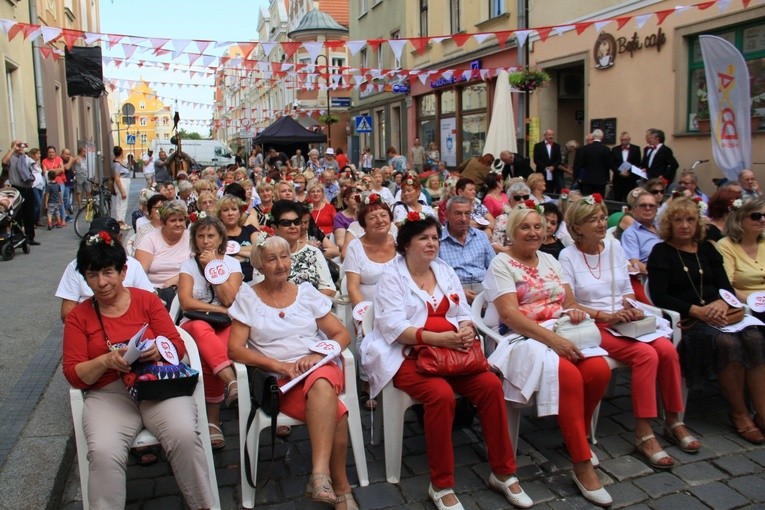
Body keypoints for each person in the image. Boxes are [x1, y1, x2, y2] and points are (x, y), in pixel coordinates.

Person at [360, 214, 533, 510]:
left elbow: (464, 311)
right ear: (405, 245)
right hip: (406, 356)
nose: (432, 244)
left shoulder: (443, 269)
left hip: (452, 356)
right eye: (423, 238)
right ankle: (440, 484)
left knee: (491, 385)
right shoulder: (392, 277)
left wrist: (466, 328)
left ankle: (503, 472)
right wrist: (440, 339)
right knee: (440, 396)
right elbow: (394, 329)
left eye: (435, 238)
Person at [62, 232, 214, 509]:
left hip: (155, 384)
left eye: (108, 272)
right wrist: (106, 361)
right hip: (109, 394)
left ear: (123, 271)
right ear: (84, 277)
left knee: (184, 435)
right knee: (103, 452)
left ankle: (203, 505)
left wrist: (158, 349)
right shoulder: (78, 317)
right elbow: (73, 373)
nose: (102, 283)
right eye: (92, 275)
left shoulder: (146, 300)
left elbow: (176, 345)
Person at [482, 206, 612, 506]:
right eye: (525, 227)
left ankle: (573, 433)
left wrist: (576, 312)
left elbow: (568, 301)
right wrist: (554, 340)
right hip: (521, 339)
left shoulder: (551, 260)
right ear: (512, 232)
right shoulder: (502, 264)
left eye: (538, 227)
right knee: (566, 372)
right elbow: (510, 316)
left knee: (599, 370)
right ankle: (581, 464)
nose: (533, 233)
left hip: (561, 331)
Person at [560, 197, 699, 469]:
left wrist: (628, 305)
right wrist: (607, 315)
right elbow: (570, 304)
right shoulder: (568, 255)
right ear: (577, 227)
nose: (602, 223)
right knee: (646, 355)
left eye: (602, 217)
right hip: (593, 323)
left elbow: (626, 287)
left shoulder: (613, 246)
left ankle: (673, 419)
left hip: (623, 319)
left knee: (668, 350)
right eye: (594, 219)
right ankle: (644, 432)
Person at [227, 233, 358, 510]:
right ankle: (341, 486)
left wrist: (317, 354)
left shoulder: (306, 293)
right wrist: (279, 366)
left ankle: (320, 475)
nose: (280, 264)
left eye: (284, 257)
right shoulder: (248, 298)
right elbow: (235, 350)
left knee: (322, 381)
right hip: (281, 383)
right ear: (259, 265)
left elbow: (341, 334)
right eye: (271, 259)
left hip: (317, 366)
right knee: (338, 412)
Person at [648, 197, 765, 445]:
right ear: (669, 224)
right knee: (727, 343)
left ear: (697, 223)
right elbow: (659, 296)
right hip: (690, 321)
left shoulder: (707, 249)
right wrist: (697, 311)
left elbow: (725, 285)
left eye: (690, 219)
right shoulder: (662, 252)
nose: (685, 226)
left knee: (755, 337)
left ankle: (762, 413)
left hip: (721, 313)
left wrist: (722, 303)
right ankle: (740, 414)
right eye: (678, 220)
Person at [178, 215, 242, 449]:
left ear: (221, 238)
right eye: (201, 236)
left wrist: (212, 268)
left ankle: (213, 421)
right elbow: (186, 302)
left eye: (211, 236)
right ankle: (232, 382)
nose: (206, 241)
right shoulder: (187, 264)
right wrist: (216, 309)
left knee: (209, 353)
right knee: (201, 329)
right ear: (194, 239)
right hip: (194, 323)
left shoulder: (232, 264)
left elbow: (230, 298)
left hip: (225, 324)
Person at [342, 194, 398, 409]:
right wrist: (364, 314)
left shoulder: (400, 241)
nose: (380, 220)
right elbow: (353, 286)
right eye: (373, 217)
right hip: (369, 306)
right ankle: (368, 385)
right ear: (363, 224)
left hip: (399, 305)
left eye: (384, 215)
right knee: (368, 334)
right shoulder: (356, 247)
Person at [56, 216, 154, 322]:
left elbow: (150, 300)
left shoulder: (133, 265)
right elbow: (67, 313)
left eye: (105, 238)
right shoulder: (75, 266)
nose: (102, 283)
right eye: (95, 238)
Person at [270, 200, 336, 297]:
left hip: (313, 307)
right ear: (274, 227)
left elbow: (329, 288)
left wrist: (307, 305)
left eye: (296, 222)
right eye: (286, 223)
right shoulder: (266, 256)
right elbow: (263, 292)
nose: (293, 226)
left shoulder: (313, 252)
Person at [438, 196, 495, 304]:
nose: (464, 218)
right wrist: (458, 291)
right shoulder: (438, 239)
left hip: (483, 286)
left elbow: (494, 266)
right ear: (447, 215)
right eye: (458, 213)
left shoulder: (481, 236)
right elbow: (434, 275)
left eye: (467, 213)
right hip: (453, 290)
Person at [134, 201, 191, 304]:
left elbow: (198, 266)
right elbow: (140, 273)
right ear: (163, 223)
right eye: (173, 220)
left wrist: (177, 279)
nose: (178, 224)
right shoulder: (150, 238)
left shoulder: (191, 238)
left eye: (181, 220)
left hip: (185, 287)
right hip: (155, 290)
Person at [717, 196, 765, 302]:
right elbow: (726, 286)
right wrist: (755, 303)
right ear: (739, 219)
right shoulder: (725, 246)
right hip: (748, 304)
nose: (762, 220)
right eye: (756, 216)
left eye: (764, 215)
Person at [1, 140, 39, 245]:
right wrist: (13, 149)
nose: (20, 147)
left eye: (21, 145)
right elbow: (4, 162)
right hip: (17, 189)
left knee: (29, 214)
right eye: (18, 145)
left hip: (28, 189)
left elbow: (34, 165)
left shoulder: (25, 158)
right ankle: (19, 237)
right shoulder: (11, 159)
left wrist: (24, 150)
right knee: (17, 215)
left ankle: (30, 237)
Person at [216, 194, 259, 283]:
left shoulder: (250, 229)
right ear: (220, 215)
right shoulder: (217, 235)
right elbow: (217, 257)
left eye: (234, 209)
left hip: (253, 280)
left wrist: (232, 251)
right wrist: (248, 252)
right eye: (225, 210)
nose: (230, 213)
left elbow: (259, 252)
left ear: (240, 213)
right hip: (228, 282)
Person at [573, 129, 612, 196]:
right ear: (602, 138)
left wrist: (575, 177)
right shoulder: (606, 149)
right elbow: (608, 165)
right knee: (599, 200)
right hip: (601, 180)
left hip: (587, 179)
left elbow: (578, 164)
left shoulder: (584, 149)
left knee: (587, 200)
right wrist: (607, 179)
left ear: (593, 137)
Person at [610, 132, 642, 202]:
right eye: (622, 140)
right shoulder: (615, 149)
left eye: (625, 140)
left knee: (630, 199)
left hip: (630, 179)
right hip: (618, 179)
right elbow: (612, 164)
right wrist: (619, 172)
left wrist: (629, 172)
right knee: (617, 199)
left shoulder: (636, 149)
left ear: (629, 139)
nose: (623, 141)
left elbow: (637, 163)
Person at [533, 128, 563, 193]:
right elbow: (536, 159)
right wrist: (545, 167)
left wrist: (553, 166)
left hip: (553, 172)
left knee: (552, 188)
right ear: (545, 135)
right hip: (542, 171)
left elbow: (559, 159)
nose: (551, 136)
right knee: (541, 187)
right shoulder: (538, 146)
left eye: (552, 135)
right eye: (549, 135)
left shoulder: (556, 146)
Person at [111, 146, 132, 230]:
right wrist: (122, 191)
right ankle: (120, 222)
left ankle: (122, 221)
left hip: (125, 182)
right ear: (121, 152)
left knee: (123, 203)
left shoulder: (121, 162)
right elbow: (117, 178)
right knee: (121, 203)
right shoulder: (117, 164)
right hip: (122, 183)